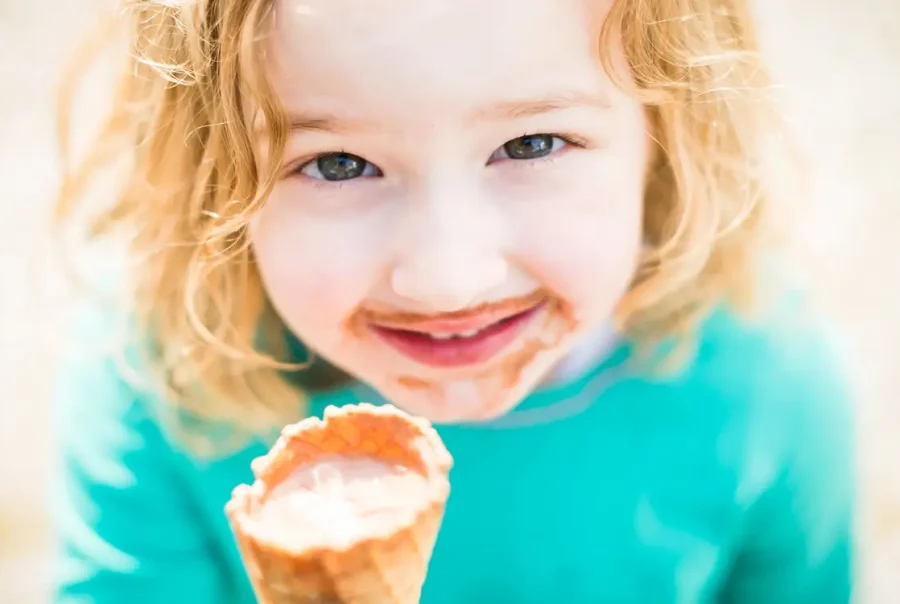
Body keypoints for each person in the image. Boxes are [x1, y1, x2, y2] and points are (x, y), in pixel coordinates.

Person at [51, 0, 855, 602]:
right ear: (209, 178)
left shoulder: (758, 378)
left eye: (532, 145)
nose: (447, 279)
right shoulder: (162, 381)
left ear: (670, 137)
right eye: (336, 164)